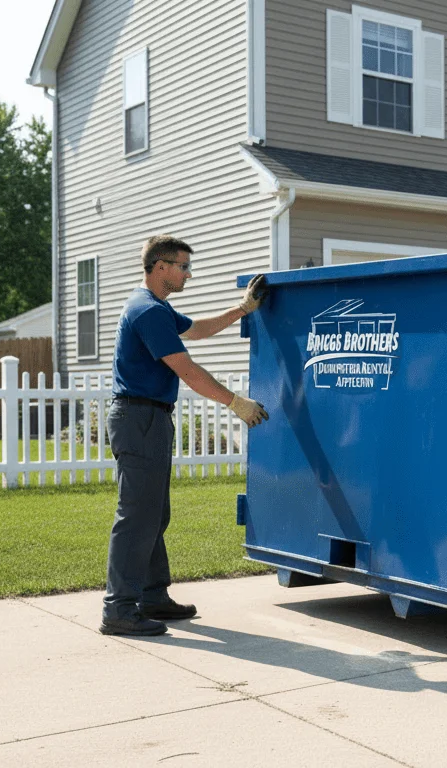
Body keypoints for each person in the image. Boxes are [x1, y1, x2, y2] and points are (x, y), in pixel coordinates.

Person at [100, 235, 270, 637]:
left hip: (149, 418)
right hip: (139, 418)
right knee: (136, 516)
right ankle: (118, 609)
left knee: (154, 514)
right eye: (183, 266)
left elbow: (197, 330)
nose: (188, 273)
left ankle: (152, 596)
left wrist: (242, 309)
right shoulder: (147, 311)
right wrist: (235, 403)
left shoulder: (158, 308)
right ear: (160, 267)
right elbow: (187, 369)